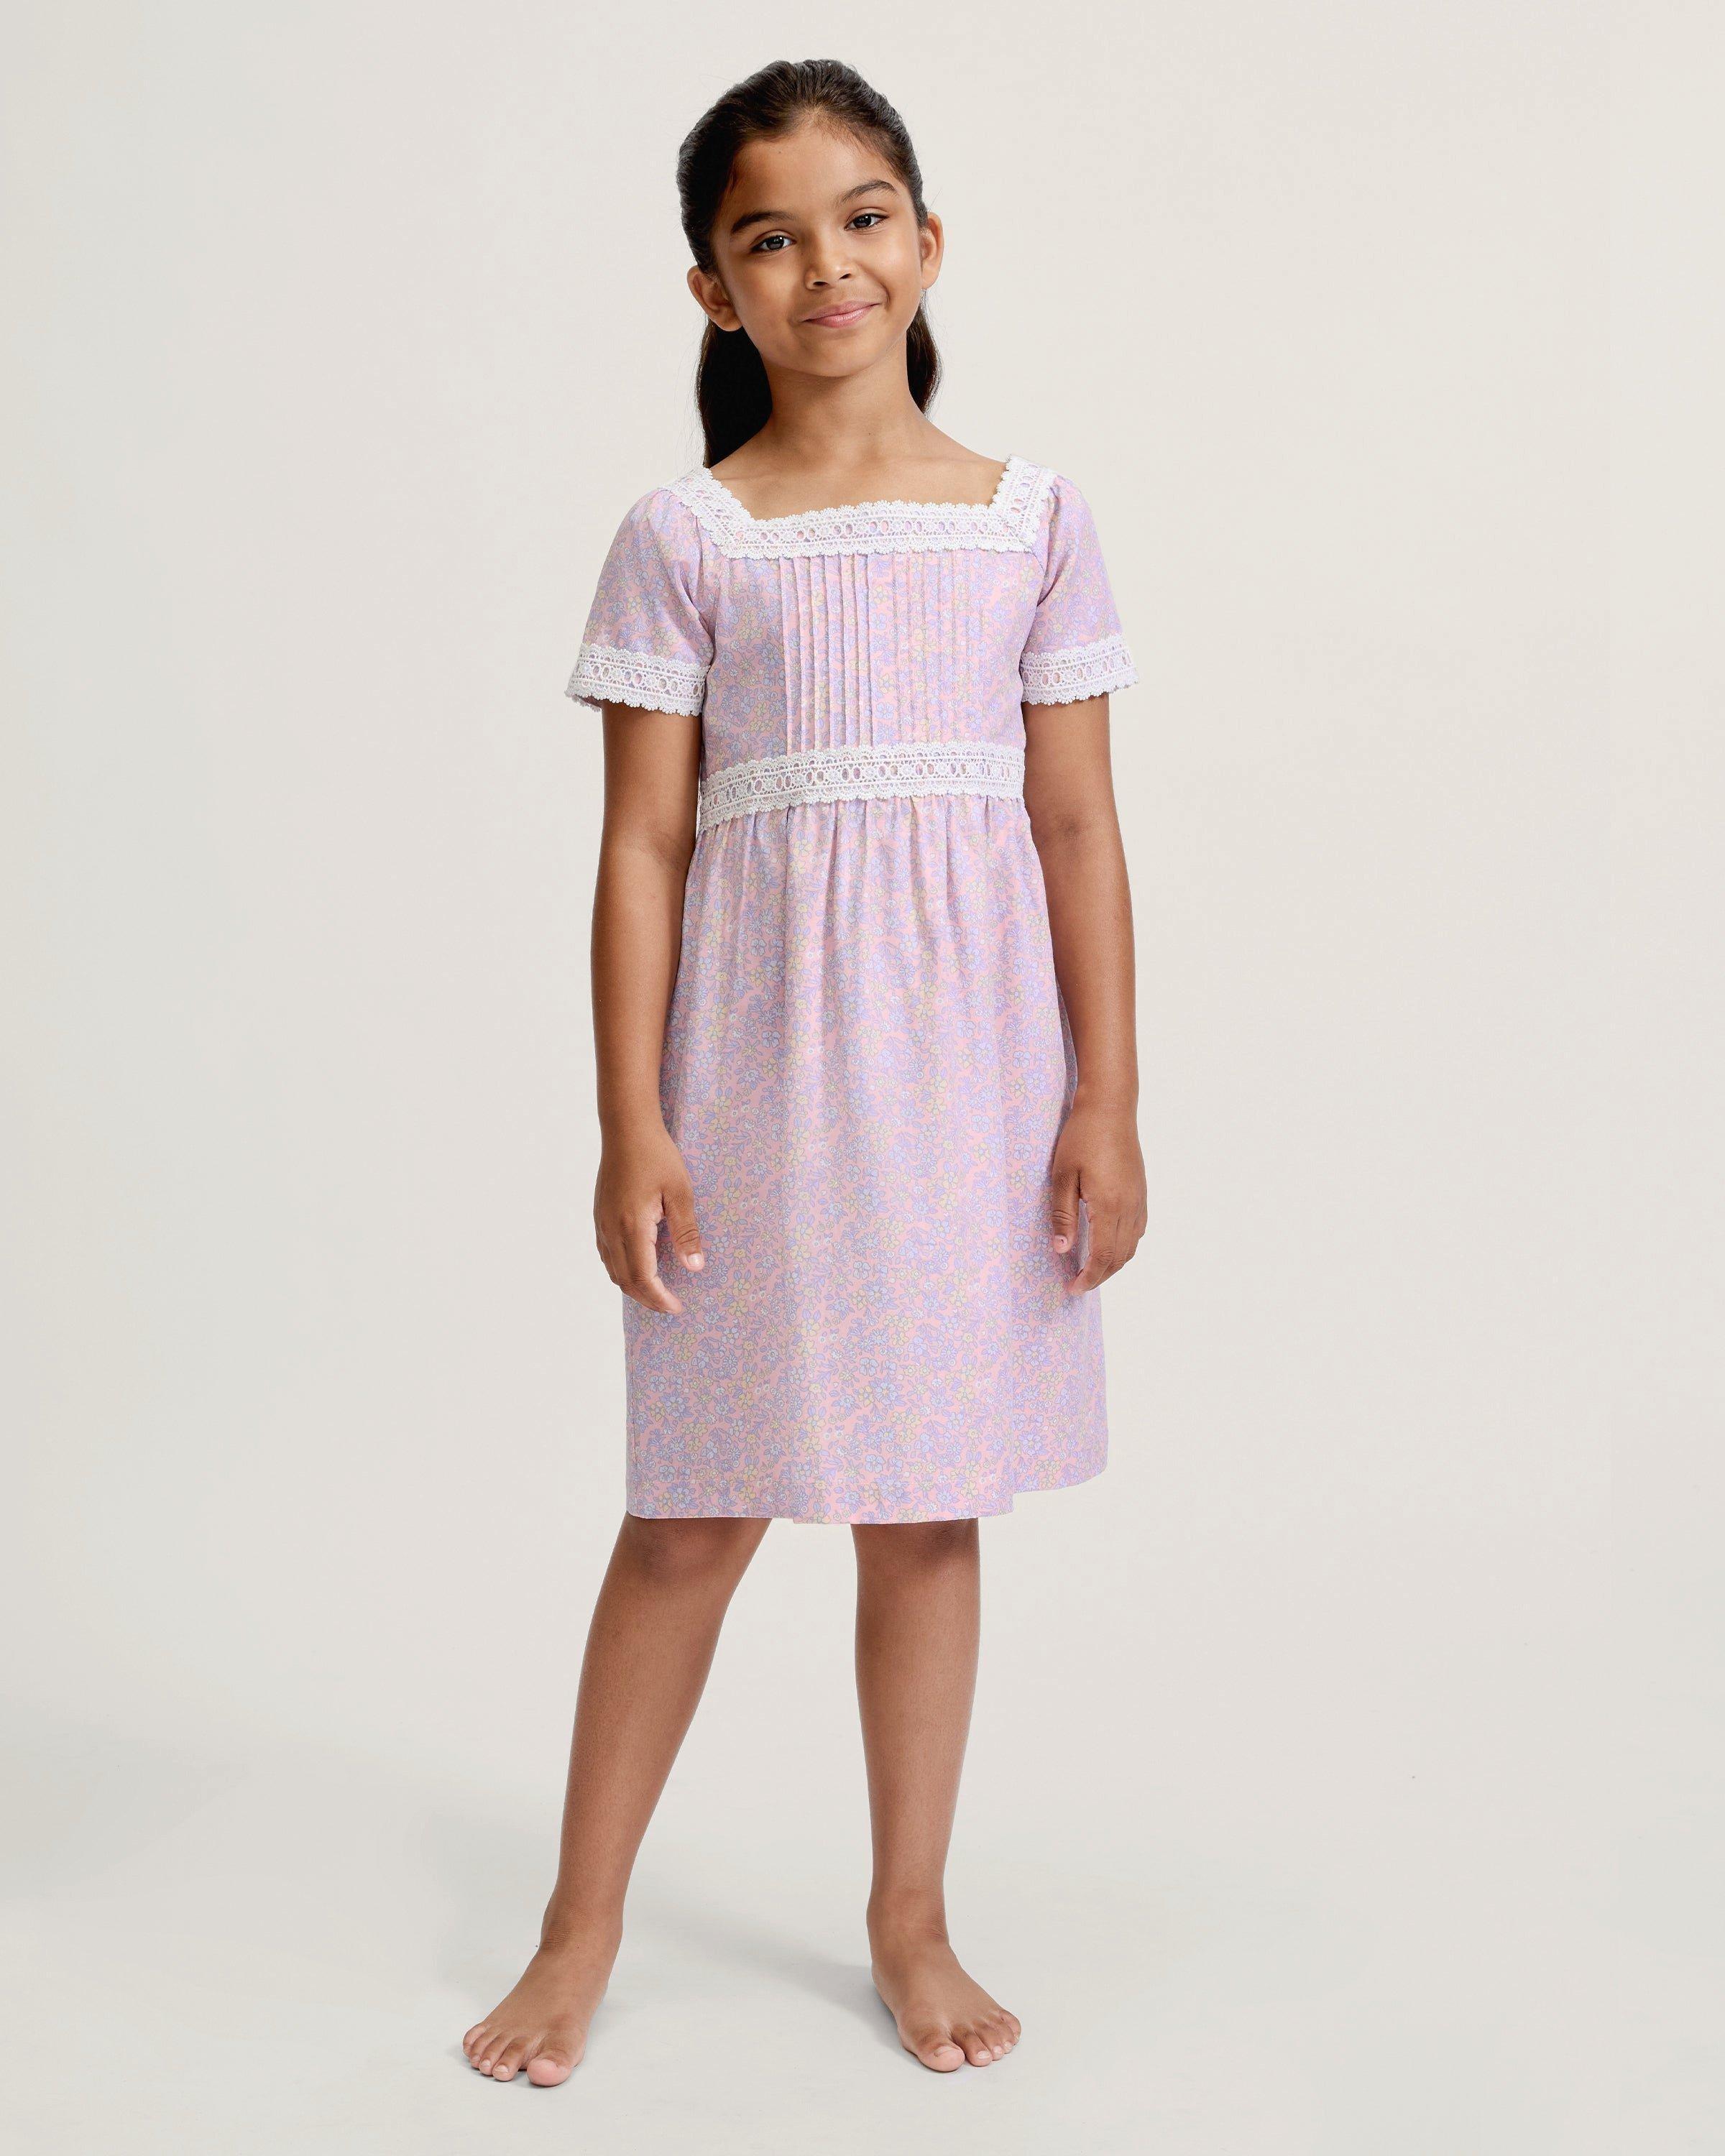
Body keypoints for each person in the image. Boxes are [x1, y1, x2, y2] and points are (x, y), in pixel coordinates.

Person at [462, 56, 1146, 2086]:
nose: (825, 264)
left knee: (925, 1514)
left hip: (971, 1097)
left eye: (861, 219)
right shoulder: (688, 536)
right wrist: (632, 1120)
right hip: (753, 1097)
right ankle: (580, 1926)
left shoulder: (1032, 523)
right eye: (770, 236)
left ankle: (909, 1918)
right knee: (692, 1515)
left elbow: (1080, 829)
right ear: (715, 290)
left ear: (927, 244)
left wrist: (1106, 1096)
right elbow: (642, 846)